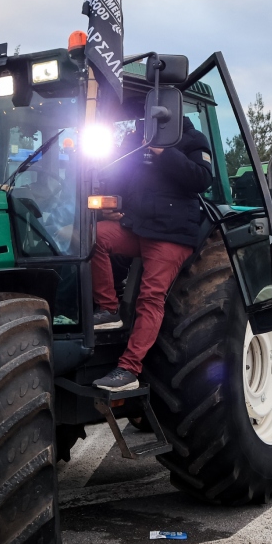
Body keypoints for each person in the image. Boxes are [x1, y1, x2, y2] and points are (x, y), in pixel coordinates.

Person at [90, 117, 214, 391]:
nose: (141, 120)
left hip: (172, 233)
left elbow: (202, 179)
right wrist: (112, 202)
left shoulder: (192, 139)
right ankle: (109, 310)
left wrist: (165, 152)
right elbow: (123, 177)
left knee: (150, 297)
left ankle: (128, 369)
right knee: (94, 237)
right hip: (139, 227)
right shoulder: (135, 140)